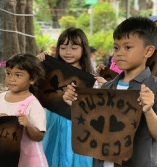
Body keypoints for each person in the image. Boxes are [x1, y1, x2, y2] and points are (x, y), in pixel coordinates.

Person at [64, 17, 157, 167]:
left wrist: (148, 110)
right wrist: (77, 105)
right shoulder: (106, 88)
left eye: (128, 47)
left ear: (148, 51)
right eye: (116, 48)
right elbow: (95, 128)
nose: (119, 53)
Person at [38, 27, 94, 167]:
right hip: (52, 121)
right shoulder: (50, 70)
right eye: (63, 48)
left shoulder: (91, 79)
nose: (68, 52)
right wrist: (36, 64)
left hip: (77, 126)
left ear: (84, 49)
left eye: (74, 48)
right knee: (51, 156)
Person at [0, 53, 48, 167]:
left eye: (18, 75)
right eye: (8, 73)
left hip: (27, 160)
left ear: (32, 79)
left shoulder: (33, 105)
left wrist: (28, 125)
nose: (12, 79)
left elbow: (39, 137)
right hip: (3, 156)